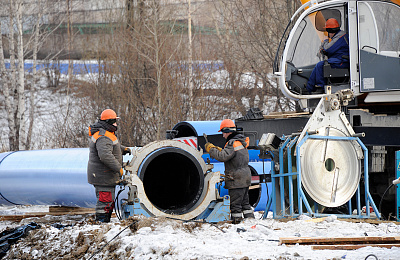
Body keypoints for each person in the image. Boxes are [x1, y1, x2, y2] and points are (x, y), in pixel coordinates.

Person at [205, 119, 254, 224]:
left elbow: (223, 156)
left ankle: (237, 223)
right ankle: (250, 222)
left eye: (223, 132)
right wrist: (220, 149)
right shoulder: (240, 141)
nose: (223, 135)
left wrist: (211, 149)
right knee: (245, 203)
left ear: (228, 131)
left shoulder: (232, 143)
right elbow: (230, 154)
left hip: (236, 178)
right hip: (245, 177)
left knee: (235, 204)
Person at [87, 109, 131, 223]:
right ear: (109, 122)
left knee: (108, 201)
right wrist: (119, 169)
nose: (116, 124)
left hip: (104, 176)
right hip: (103, 177)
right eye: (114, 122)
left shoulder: (106, 133)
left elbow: (110, 147)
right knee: (105, 202)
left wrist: (122, 149)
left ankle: (104, 223)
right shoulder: (103, 136)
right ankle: (101, 224)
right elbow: (105, 156)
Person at [305, 18, 349, 93]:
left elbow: (328, 48)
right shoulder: (339, 36)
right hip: (338, 59)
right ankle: (310, 88)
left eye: (328, 31)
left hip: (342, 61)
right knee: (319, 66)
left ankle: (319, 87)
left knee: (320, 65)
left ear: (331, 31)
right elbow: (329, 49)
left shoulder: (340, 37)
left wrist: (325, 41)